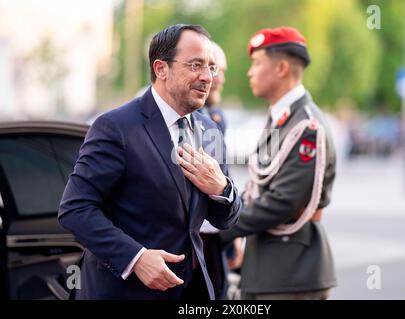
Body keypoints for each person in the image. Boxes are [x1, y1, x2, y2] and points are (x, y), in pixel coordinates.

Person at [58, 24, 241, 300]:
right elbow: (75, 208)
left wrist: (221, 188)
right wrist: (136, 258)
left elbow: (224, 218)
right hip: (124, 292)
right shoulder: (116, 127)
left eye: (211, 68)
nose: (207, 77)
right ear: (161, 69)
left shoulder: (209, 129)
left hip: (192, 291)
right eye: (195, 65)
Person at [220, 26, 337, 300]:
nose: (250, 72)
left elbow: (283, 202)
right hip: (270, 269)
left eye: (257, 63)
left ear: (282, 68)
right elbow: (258, 185)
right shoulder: (282, 118)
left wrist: (220, 228)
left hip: (291, 272)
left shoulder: (306, 125)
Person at [197, 41, 230, 299]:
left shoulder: (216, 118)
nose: (217, 79)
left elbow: (223, 179)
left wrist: (234, 238)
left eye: (217, 70)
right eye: (214, 69)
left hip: (212, 236)